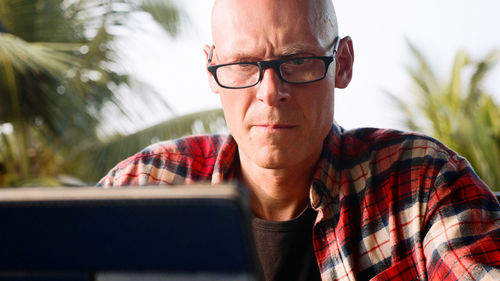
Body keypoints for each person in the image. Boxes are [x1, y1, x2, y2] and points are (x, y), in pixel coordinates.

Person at [98, 0, 500, 280]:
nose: (270, 92)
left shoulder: (422, 184)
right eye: (241, 64)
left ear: (342, 64)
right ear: (212, 69)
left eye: (298, 60)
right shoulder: (143, 187)